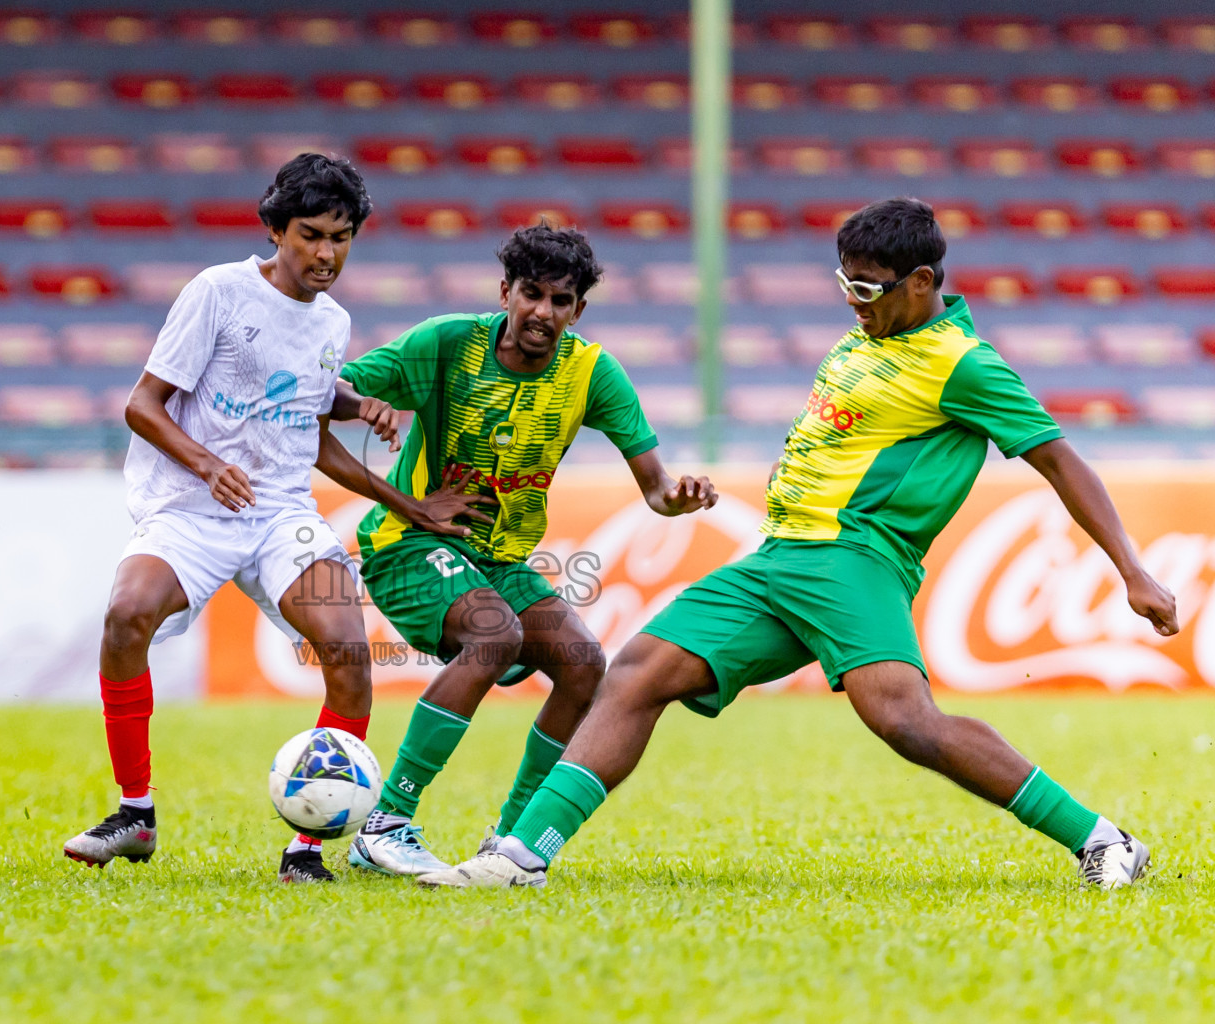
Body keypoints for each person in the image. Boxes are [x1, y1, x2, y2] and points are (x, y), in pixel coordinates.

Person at [419, 197, 1180, 891]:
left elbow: (1058, 456)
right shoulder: (865, 339)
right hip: (778, 556)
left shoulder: (964, 364)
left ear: (921, 281)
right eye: (845, 282)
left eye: (870, 287)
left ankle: (1103, 840)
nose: (854, 300)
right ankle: (521, 856)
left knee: (907, 723)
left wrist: (1132, 570)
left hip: (853, 560)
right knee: (639, 672)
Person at [315, 223, 717, 877]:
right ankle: (386, 823)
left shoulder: (590, 372)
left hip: (498, 560)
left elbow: (657, 491)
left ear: (578, 310)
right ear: (505, 291)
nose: (543, 312)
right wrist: (392, 468)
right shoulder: (447, 345)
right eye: (531, 293)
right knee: (494, 635)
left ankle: (511, 837)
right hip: (409, 541)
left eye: (562, 301)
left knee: (586, 664)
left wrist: (682, 495)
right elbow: (319, 399)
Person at [61, 153, 416, 883]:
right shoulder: (217, 292)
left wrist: (360, 412)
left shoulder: (334, 321)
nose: (326, 254)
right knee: (127, 615)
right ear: (276, 230)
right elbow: (142, 405)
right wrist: (206, 463)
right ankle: (135, 814)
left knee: (348, 649)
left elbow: (306, 414)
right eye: (311, 235)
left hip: (280, 512)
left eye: (341, 238)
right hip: (194, 507)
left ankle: (307, 849)